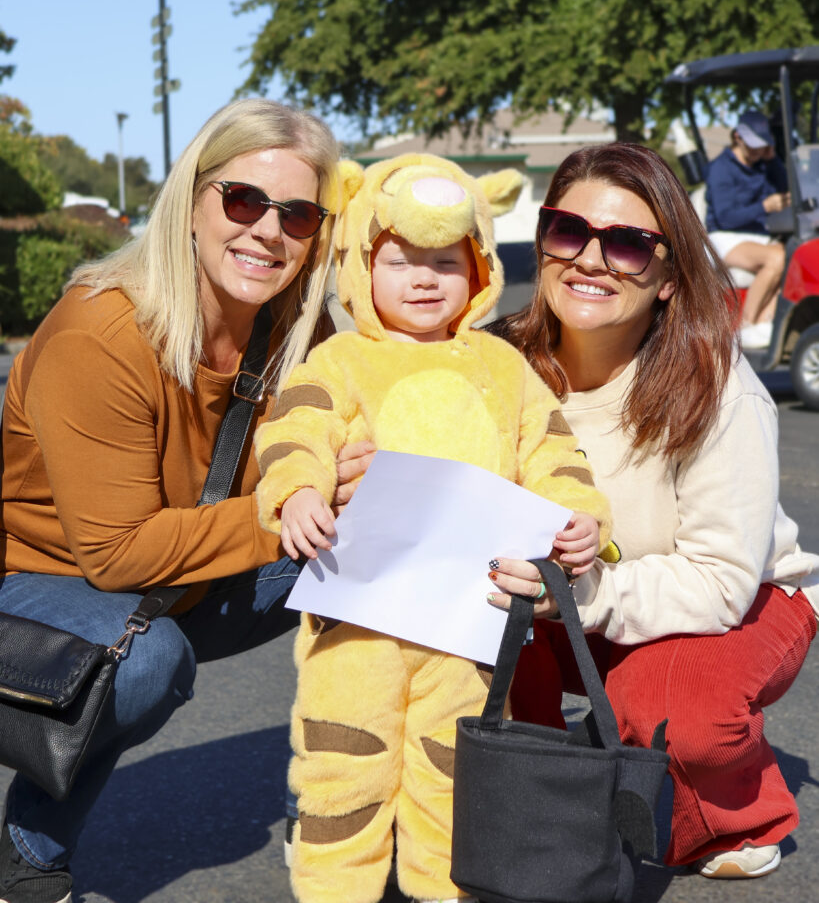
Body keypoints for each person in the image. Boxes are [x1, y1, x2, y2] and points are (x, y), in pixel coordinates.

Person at [0, 99, 340, 903]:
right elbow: (117, 555)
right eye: (244, 199)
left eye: (297, 214)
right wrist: (295, 508)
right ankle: (27, 852)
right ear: (192, 198)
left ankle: (334, 818)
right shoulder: (103, 331)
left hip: (176, 565)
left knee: (377, 552)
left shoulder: (297, 328)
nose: (268, 230)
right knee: (145, 660)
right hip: (40, 581)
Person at [253, 153, 612, 903]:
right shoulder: (340, 357)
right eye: (401, 260)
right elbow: (296, 429)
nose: (423, 278)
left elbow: (551, 451)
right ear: (361, 266)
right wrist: (295, 493)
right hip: (354, 617)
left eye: (445, 261)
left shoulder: (502, 366)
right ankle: (332, 890)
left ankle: (442, 890)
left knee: (452, 773)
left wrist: (580, 522)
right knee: (340, 765)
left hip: (468, 622)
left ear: (479, 269)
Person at [481, 142, 819, 880]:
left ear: (667, 276)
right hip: (559, 602)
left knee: (669, 705)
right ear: (540, 243)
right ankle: (515, 795)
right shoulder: (486, 362)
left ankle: (733, 811)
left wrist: (580, 593)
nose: (590, 260)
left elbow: (719, 580)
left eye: (628, 245)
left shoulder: (715, 386)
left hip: (741, 601)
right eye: (568, 232)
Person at [705, 109, 790, 350]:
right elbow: (726, 217)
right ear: (737, 137)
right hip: (724, 236)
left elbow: (784, 186)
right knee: (778, 257)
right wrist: (763, 206)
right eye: (753, 145)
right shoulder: (721, 168)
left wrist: (773, 160)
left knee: (795, 256)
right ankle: (745, 326)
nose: (756, 151)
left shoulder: (763, 164)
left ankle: (765, 324)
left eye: (761, 146)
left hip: (757, 236)